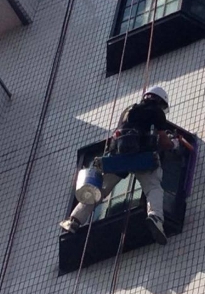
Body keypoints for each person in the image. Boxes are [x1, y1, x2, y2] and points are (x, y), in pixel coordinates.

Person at [60, 86, 182, 245]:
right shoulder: (156, 112)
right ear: (160, 101)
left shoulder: (129, 111)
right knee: (153, 187)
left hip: (119, 156)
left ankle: (74, 220)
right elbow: (163, 140)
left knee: (100, 189)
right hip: (143, 158)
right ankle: (155, 217)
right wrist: (174, 144)